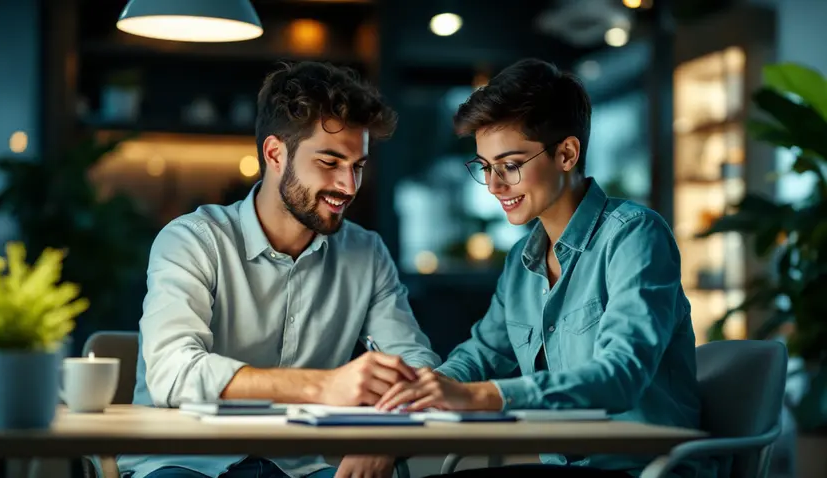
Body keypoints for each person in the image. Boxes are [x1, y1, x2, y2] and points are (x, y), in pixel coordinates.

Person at [376, 59, 717, 478]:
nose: (496, 186)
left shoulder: (634, 236)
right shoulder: (522, 263)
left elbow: (620, 376)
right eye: (485, 167)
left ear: (567, 154)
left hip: (647, 470)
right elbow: (482, 354)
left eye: (511, 165)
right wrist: (424, 390)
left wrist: (480, 396)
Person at [118, 61, 441, 478]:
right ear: (275, 153)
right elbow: (174, 373)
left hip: (304, 466)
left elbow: (417, 366)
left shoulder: (367, 253)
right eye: (329, 161)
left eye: (357, 166)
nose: (348, 185)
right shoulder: (192, 240)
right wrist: (324, 387)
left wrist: (383, 438)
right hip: (186, 460)